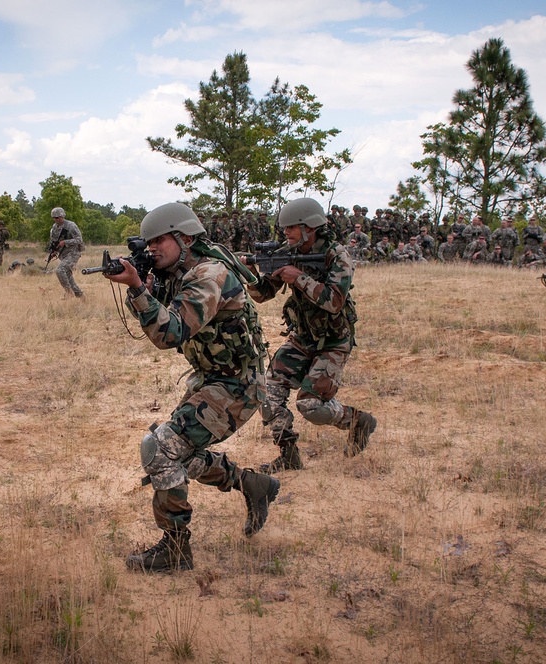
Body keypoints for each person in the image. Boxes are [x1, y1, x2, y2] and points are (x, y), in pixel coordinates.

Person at [102, 202, 279, 573]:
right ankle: (251, 484)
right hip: (214, 378)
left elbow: (170, 333)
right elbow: (158, 323)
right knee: (177, 454)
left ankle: (176, 551)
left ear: (184, 238)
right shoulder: (180, 272)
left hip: (238, 383)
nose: (152, 250)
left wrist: (137, 289)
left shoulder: (208, 275)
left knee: (160, 447)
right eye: (148, 243)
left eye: (159, 241)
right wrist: (146, 289)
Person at [244, 197, 377, 474]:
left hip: (333, 341)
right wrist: (250, 272)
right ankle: (289, 455)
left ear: (310, 228)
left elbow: (334, 302)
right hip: (302, 338)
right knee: (266, 394)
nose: (285, 233)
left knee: (311, 405)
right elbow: (262, 295)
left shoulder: (336, 256)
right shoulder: (286, 251)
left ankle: (357, 421)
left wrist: (298, 278)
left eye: (291, 228)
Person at [49, 207, 85, 298]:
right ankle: (81, 296)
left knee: (60, 270)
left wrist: (66, 242)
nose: (56, 219)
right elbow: (54, 242)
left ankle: (68, 292)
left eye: (58, 217)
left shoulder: (71, 225)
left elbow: (79, 240)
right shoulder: (54, 228)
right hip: (63, 254)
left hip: (73, 253)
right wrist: (54, 251)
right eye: (54, 218)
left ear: (62, 216)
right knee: (68, 276)